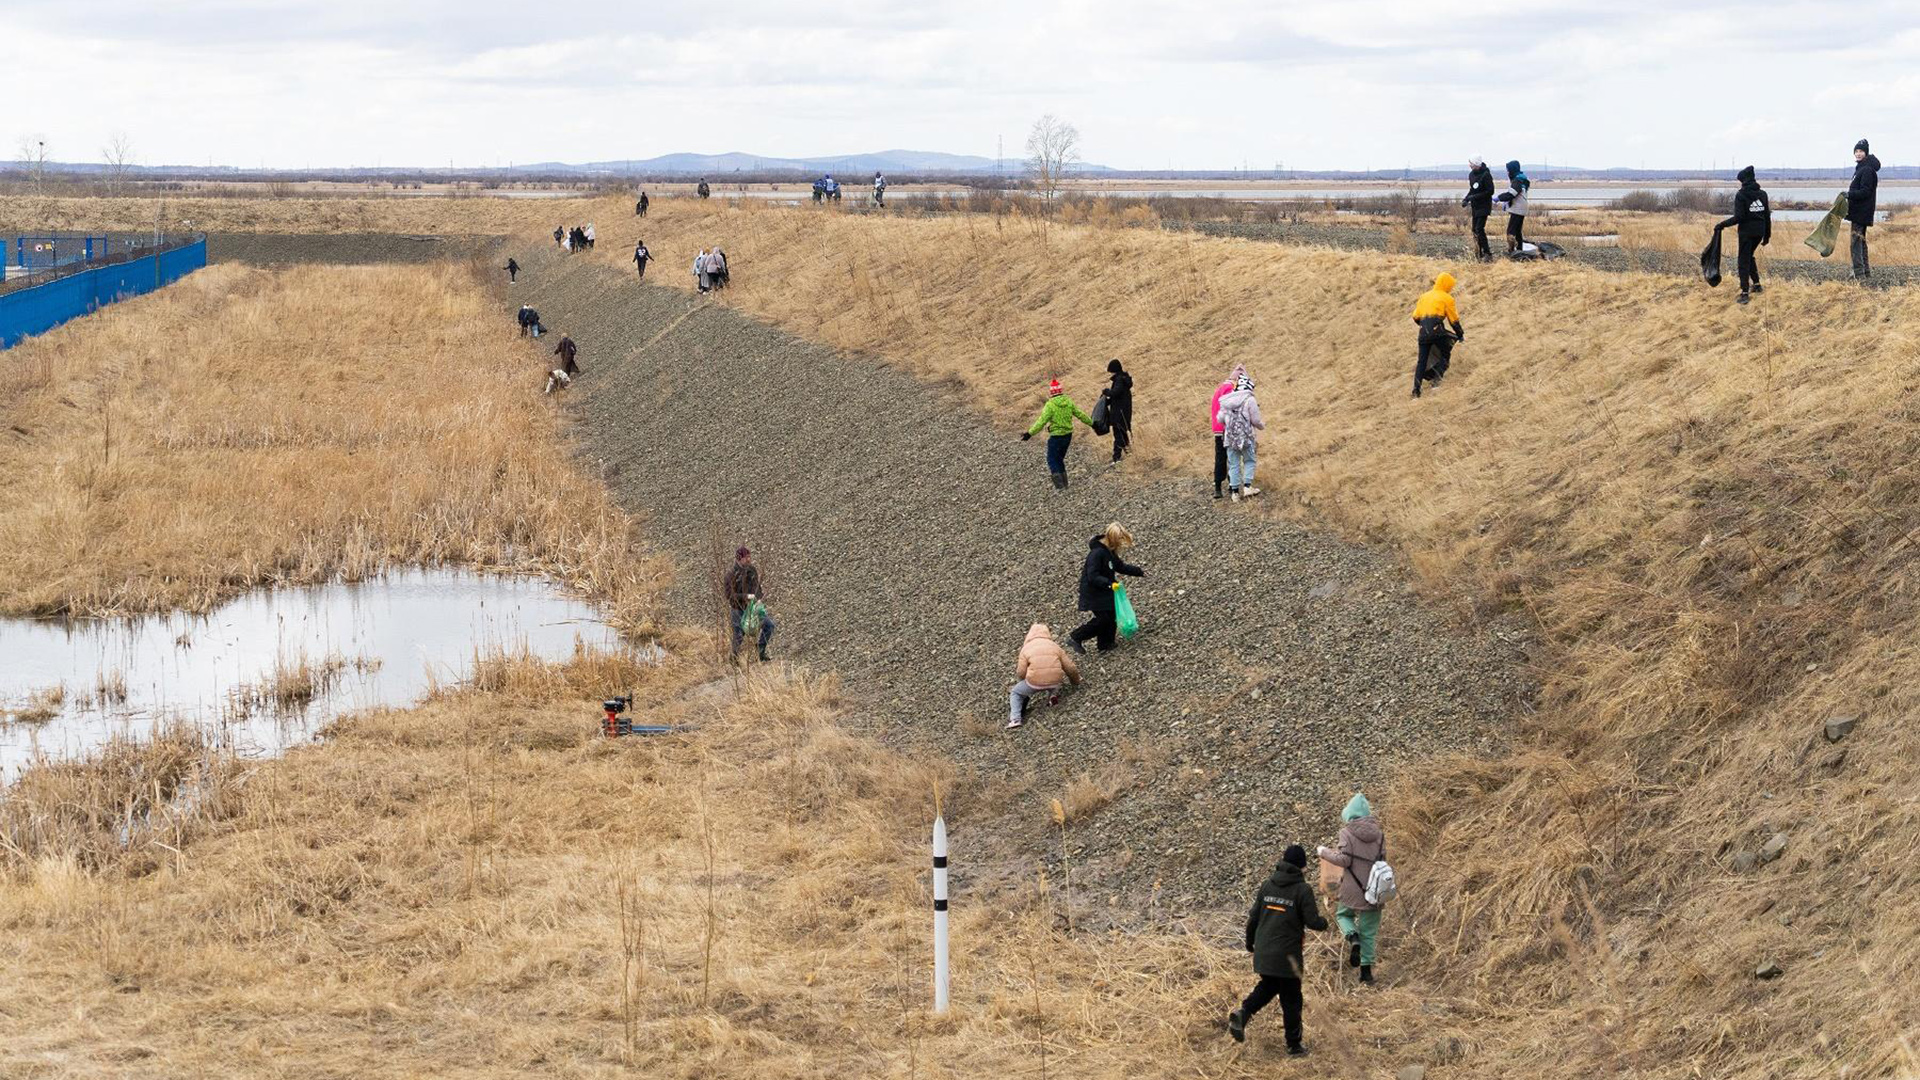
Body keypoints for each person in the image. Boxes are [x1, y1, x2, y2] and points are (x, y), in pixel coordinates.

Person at [1229, 844, 1327, 1055]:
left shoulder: (1267, 885)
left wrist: (1249, 942)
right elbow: (1312, 921)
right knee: (1292, 999)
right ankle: (1294, 1046)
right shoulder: (1303, 889)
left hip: (1264, 951)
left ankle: (1244, 1012)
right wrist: (1325, 922)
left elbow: (1253, 918)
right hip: (1287, 956)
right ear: (1302, 867)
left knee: (1269, 985)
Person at [1316, 792, 1386, 985]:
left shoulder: (1346, 833)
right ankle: (1366, 974)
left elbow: (1344, 860)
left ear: (1349, 814)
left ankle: (1352, 936)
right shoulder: (1379, 834)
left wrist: (1324, 852)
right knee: (1369, 932)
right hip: (1375, 889)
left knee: (1343, 915)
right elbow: (1382, 860)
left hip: (1352, 888)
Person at [1068, 522, 1144, 654]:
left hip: (1105, 590)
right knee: (1103, 619)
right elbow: (1092, 575)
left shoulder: (1109, 552)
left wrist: (1139, 571)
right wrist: (1109, 583)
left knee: (1112, 614)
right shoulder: (1097, 554)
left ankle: (1105, 643)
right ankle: (1076, 637)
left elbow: (1120, 566)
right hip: (1094, 592)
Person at [1020, 378, 1096, 489]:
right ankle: (1065, 483)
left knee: (1052, 458)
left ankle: (1060, 486)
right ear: (1060, 391)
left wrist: (1029, 433)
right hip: (1068, 436)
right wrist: (1092, 423)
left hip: (1056, 437)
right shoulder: (1068, 401)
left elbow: (1041, 421)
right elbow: (1080, 414)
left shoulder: (1050, 405)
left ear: (1051, 393)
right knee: (1059, 458)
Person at [1007, 622, 1080, 729]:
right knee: (1054, 679)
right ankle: (1052, 695)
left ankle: (1015, 719)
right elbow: (1070, 667)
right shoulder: (1055, 646)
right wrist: (1075, 681)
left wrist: (1025, 679)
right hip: (1055, 681)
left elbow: (1021, 672)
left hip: (1035, 683)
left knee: (1016, 692)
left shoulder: (1026, 648)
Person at [1717, 167, 1772, 304]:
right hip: (1760, 231)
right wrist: (1766, 236)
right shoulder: (1763, 194)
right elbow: (1767, 216)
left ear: (1743, 181)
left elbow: (1739, 217)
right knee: (1749, 256)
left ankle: (1744, 293)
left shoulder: (1741, 195)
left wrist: (1722, 224)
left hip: (1746, 233)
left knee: (1743, 260)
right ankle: (1757, 285)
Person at [1410, 272, 1464, 396]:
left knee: (1421, 362)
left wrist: (1425, 325)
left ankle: (1416, 391)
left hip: (1423, 332)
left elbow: (1416, 316)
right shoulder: (1447, 298)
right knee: (1445, 354)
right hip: (1437, 332)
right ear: (1447, 285)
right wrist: (1460, 334)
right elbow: (1453, 320)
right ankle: (1436, 382)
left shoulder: (1424, 296)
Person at [1217, 372, 1264, 502]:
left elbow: (1220, 418)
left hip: (1230, 438)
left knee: (1234, 464)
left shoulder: (1227, 400)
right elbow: (1255, 419)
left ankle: (1235, 493)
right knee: (1249, 460)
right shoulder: (1250, 399)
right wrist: (1261, 426)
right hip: (1246, 437)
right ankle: (1248, 487)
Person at [723, 546, 775, 661]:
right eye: (746, 557)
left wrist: (759, 597)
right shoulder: (730, 575)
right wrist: (746, 597)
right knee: (739, 635)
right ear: (738, 558)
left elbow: (757, 586)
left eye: (749, 557)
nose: (749, 559)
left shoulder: (752, 570)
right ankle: (734, 659)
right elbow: (729, 596)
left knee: (769, 625)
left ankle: (760, 651)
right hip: (738, 610)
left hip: (753, 608)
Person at [1847, 139, 1879, 281]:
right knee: (1860, 241)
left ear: (1866, 153)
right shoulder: (1862, 168)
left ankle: (1858, 274)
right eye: (1856, 151)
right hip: (1860, 212)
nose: (1858, 154)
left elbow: (1866, 191)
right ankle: (1865, 272)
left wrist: (1849, 194)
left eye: (1861, 151)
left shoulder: (1866, 170)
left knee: (1855, 242)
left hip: (1861, 212)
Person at [1209, 366, 1240, 500]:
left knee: (1220, 456)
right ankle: (1231, 484)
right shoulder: (1230, 389)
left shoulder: (1219, 388)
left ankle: (1217, 485)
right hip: (1227, 427)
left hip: (1217, 428)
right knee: (1231, 456)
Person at [1462, 157, 1495, 261]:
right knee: (1474, 230)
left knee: (1479, 229)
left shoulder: (1486, 175)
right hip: (1475, 206)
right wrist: (1466, 199)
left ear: (1476, 164)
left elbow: (1490, 191)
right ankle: (1478, 251)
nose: (1470, 165)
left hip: (1484, 206)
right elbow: (1472, 189)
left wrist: (1474, 197)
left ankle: (1487, 253)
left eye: (1471, 163)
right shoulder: (1471, 175)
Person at [1495, 160, 1531, 253]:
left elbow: (1511, 194)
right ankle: (1519, 251)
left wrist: (1498, 198)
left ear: (1512, 170)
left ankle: (1512, 251)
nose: (1507, 172)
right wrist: (1507, 203)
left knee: (1510, 232)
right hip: (1521, 208)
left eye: (1508, 170)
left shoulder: (1517, 180)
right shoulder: (1521, 178)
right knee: (1518, 231)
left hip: (1518, 209)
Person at [1104, 358, 1133, 463]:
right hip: (1125, 411)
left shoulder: (1119, 380)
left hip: (1119, 412)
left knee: (1118, 434)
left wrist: (1107, 392)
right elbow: (1118, 395)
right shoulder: (1124, 379)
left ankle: (1116, 457)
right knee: (1123, 432)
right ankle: (1129, 453)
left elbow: (1115, 392)